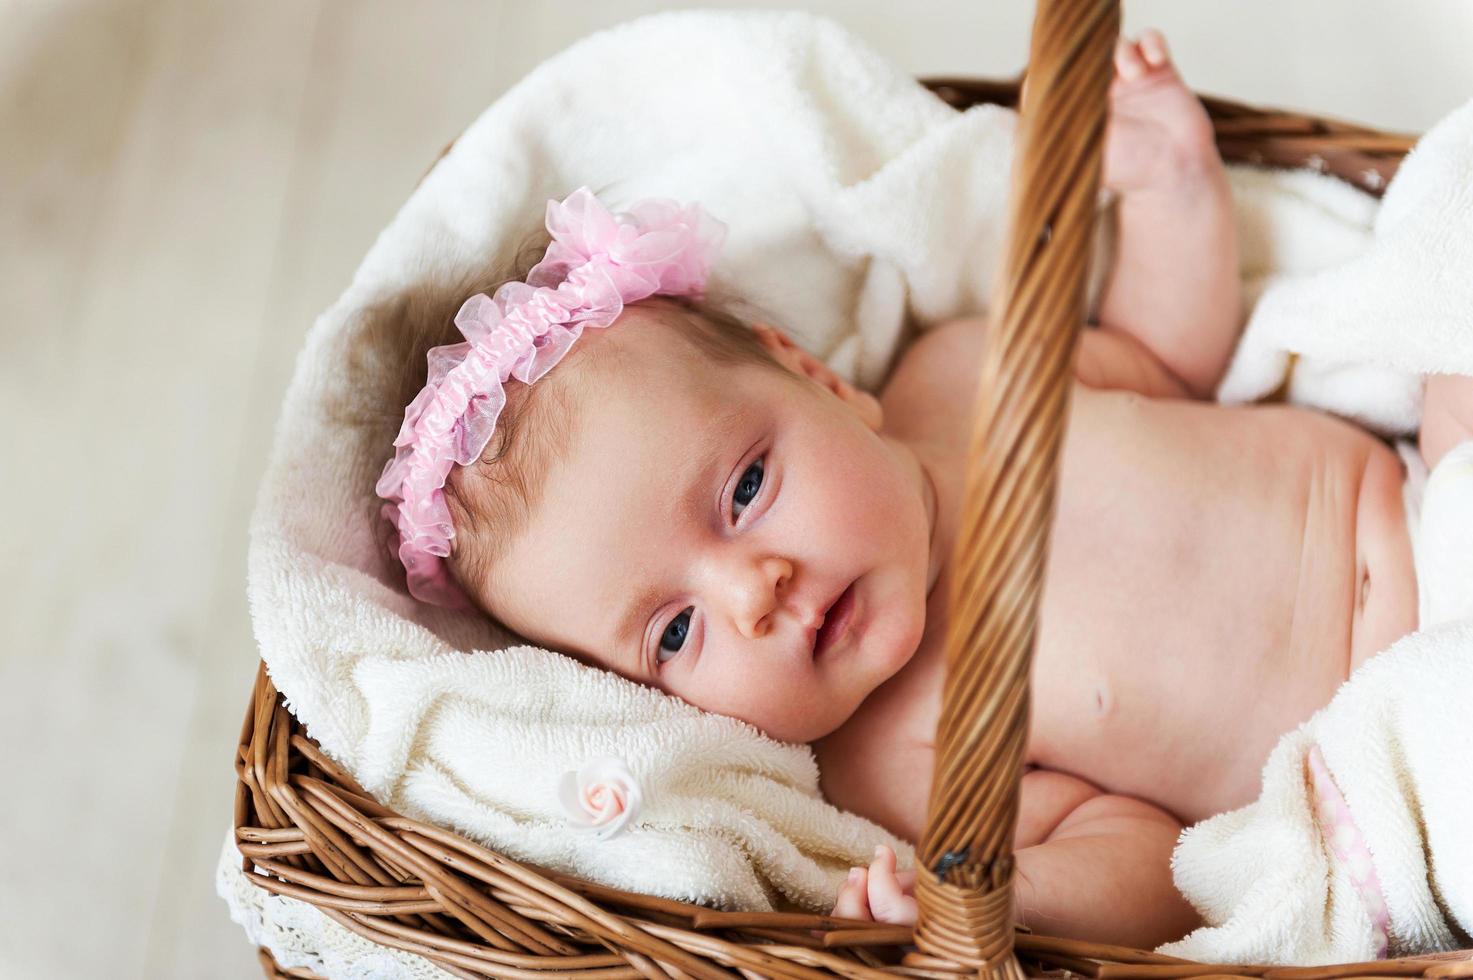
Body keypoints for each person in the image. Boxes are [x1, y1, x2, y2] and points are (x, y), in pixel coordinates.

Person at [373, 30, 1473, 950]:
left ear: (818, 378)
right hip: (1404, 722)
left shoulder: (960, 375)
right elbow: (1147, 861)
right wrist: (995, 899)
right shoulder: (892, 763)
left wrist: (1174, 192)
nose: (756, 590)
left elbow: (1163, 356)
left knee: (1451, 220)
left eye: (748, 486)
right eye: (673, 632)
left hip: (1433, 494)